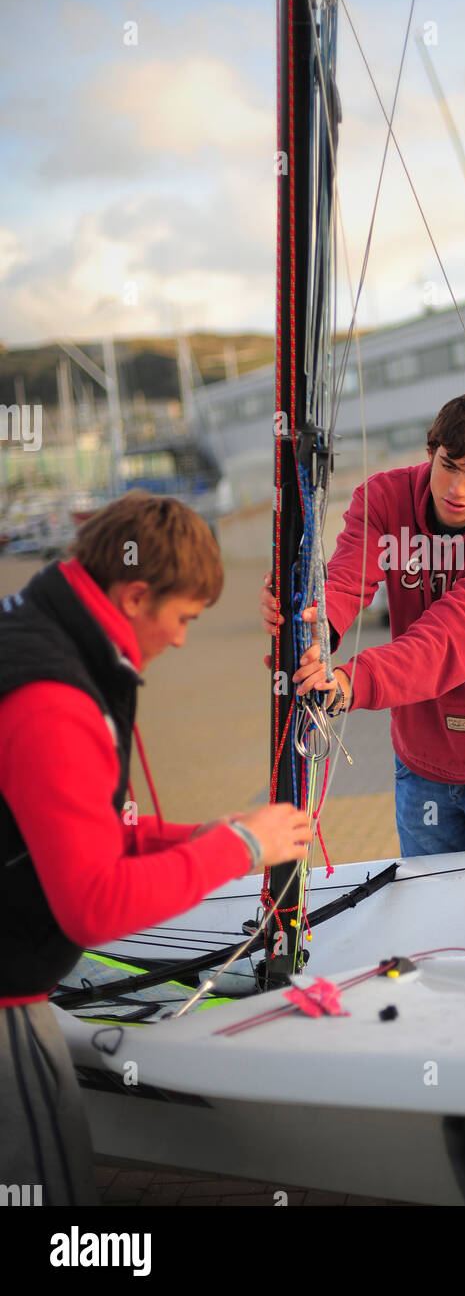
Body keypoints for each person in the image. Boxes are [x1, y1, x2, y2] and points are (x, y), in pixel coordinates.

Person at [0, 490, 312, 1206]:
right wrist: (234, 849)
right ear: (135, 595)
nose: (182, 641)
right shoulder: (54, 699)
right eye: (184, 619)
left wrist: (196, 836)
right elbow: (93, 906)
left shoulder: (34, 626)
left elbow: (55, 827)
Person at [261, 389, 465, 856]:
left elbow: (449, 639)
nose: (456, 489)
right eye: (448, 465)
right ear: (431, 451)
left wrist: (352, 681)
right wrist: (308, 625)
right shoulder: (384, 499)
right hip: (420, 767)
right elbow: (345, 582)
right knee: (435, 924)